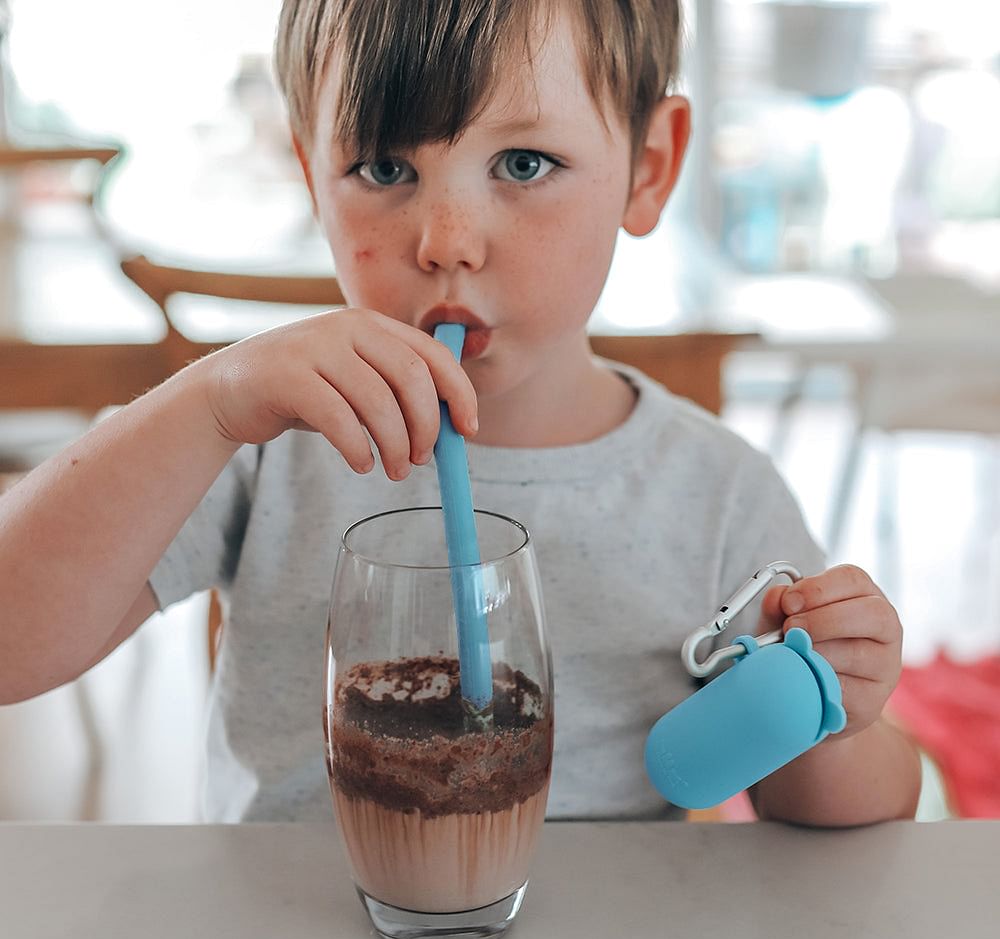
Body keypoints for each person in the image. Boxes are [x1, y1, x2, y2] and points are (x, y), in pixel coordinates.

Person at [0, 0, 920, 824]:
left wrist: (835, 710)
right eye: (383, 165)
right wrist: (208, 405)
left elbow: (820, 810)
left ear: (648, 168)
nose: (445, 242)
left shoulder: (718, 495)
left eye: (524, 162)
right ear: (308, 171)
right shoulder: (269, 445)